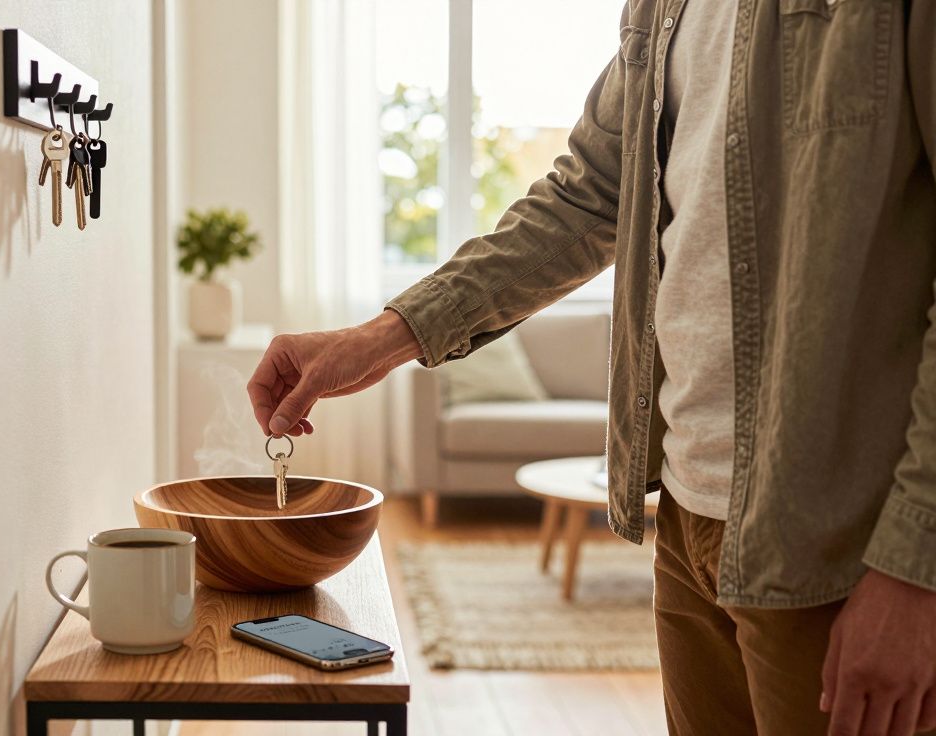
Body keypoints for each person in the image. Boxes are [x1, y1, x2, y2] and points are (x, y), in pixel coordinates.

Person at [247, 2, 936, 735]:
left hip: (842, 541)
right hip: (687, 512)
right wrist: (382, 336)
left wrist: (915, 570)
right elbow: (583, 199)